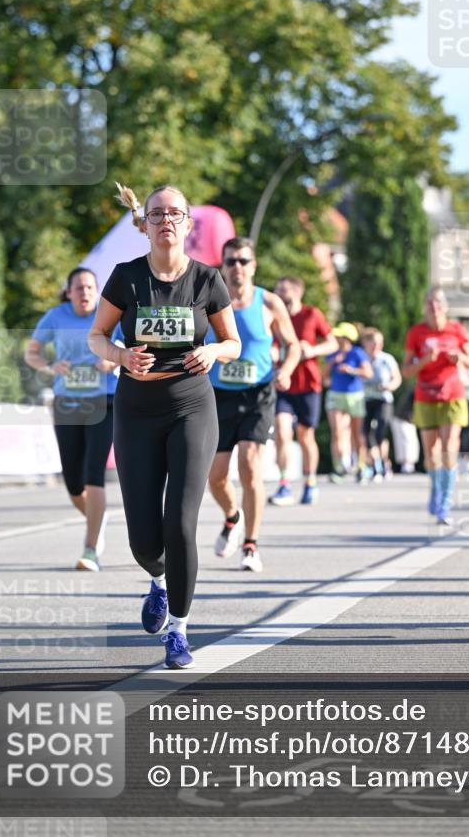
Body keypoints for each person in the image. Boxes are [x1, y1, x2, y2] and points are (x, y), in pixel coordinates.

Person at [88, 183, 241, 670]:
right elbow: (96, 335)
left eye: (175, 213)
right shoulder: (126, 278)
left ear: (188, 224)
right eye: (157, 214)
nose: (166, 220)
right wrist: (119, 355)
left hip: (192, 407)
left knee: (180, 522)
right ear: (146, 224)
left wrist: (212, 351)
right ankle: (157, 580)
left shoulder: (207, 279)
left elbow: (232, 342)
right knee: (144, 540)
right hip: (136, 410)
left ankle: (179, 630)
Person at [207, 238, 300, 572]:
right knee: (216, 478)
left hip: (258, 393)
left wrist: (286, 371)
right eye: (231, 261)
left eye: (244, 261)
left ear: (253, 266)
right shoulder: (208, 301)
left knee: (249, 465)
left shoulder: (270, 302)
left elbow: (293, 345)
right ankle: (233, 517)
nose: (237, 268)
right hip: (219, 395)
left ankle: (251, 544)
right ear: (222, 265)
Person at [25, 267, 120, 572]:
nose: (85, 293)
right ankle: (97, 517)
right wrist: (51, 366)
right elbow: (32, 353)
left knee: (94, 474)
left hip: (104, 400)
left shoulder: (109, 313)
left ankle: (90, 549)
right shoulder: (55, 316)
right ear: (68, 292)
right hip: (67, 402)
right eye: (78, 288)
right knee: (73, 482)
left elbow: (128, 347)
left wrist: (112, 359)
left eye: (90, 287)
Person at [402, 288, 469, 524]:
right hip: (425, 396)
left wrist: (458, 358)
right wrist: (424, 360)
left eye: (439, 303)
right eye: (430, 303)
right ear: (425, 307)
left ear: (446, 307)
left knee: (449, 447)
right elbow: (406, 371)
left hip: (453, 395)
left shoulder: (456, 330)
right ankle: (435, 486)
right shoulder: (416, 333)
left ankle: (445, 502)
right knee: (431, 453)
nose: (434, 308)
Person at [269, 276, 338, 506]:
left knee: (305, 435)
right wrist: (272, 353)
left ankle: (310, 482)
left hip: (308, 383)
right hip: (283, 382)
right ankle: (284, 483)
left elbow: (333, 344)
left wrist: (313, 350)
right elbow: (269, 343)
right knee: (281, 430)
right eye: (277, 288)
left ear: (298, 291)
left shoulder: (312, 315)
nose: (279, 291)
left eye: (283, 287)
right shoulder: (275, 317)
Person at [324, 323, 373, 482]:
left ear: (347, 339)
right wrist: (332, 363)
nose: (336, 339)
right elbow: (323, 375)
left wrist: (351, 370)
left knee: (357, 433)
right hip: (335, 395)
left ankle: (361, 466)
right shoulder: (332, 354)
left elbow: (368, 373)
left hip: (354, 396)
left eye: (339, 337)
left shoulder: (357, 353)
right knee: (337, 431)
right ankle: (340, 467)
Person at [360, 328, 402, 481]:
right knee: (366, 433)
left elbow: (397, 378)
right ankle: (375, 463)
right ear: (366, 343)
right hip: (365, 399)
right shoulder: (362, 358)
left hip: (383, 399)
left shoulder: (386, 359)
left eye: (379, 342)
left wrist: (389, 386)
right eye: (373, 342)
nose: (377, 345)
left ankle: (384, 462)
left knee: (380, 430)